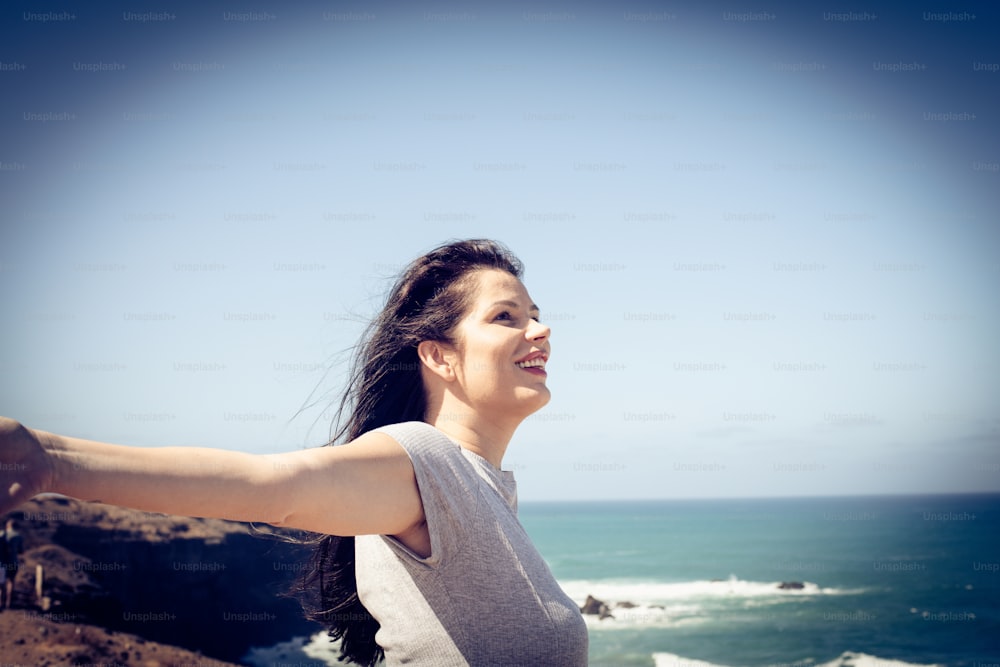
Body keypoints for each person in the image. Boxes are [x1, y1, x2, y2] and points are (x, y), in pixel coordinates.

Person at [0, 239, 589, 666]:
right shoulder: (423, 460)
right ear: (439, 356)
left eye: (535, 316)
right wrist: (50, 457)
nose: (540, 331)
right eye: (506, 317)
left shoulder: (481, 485)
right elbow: (273, 486)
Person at [1, 517, 24, 610]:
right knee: (11, 581)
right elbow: (21, 551)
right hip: (13, 562)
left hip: (2, 562)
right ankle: (8, 603)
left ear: (7, 526)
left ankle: (1, 602)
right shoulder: (19, 537)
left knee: (1, 583)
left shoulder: (2, 534)